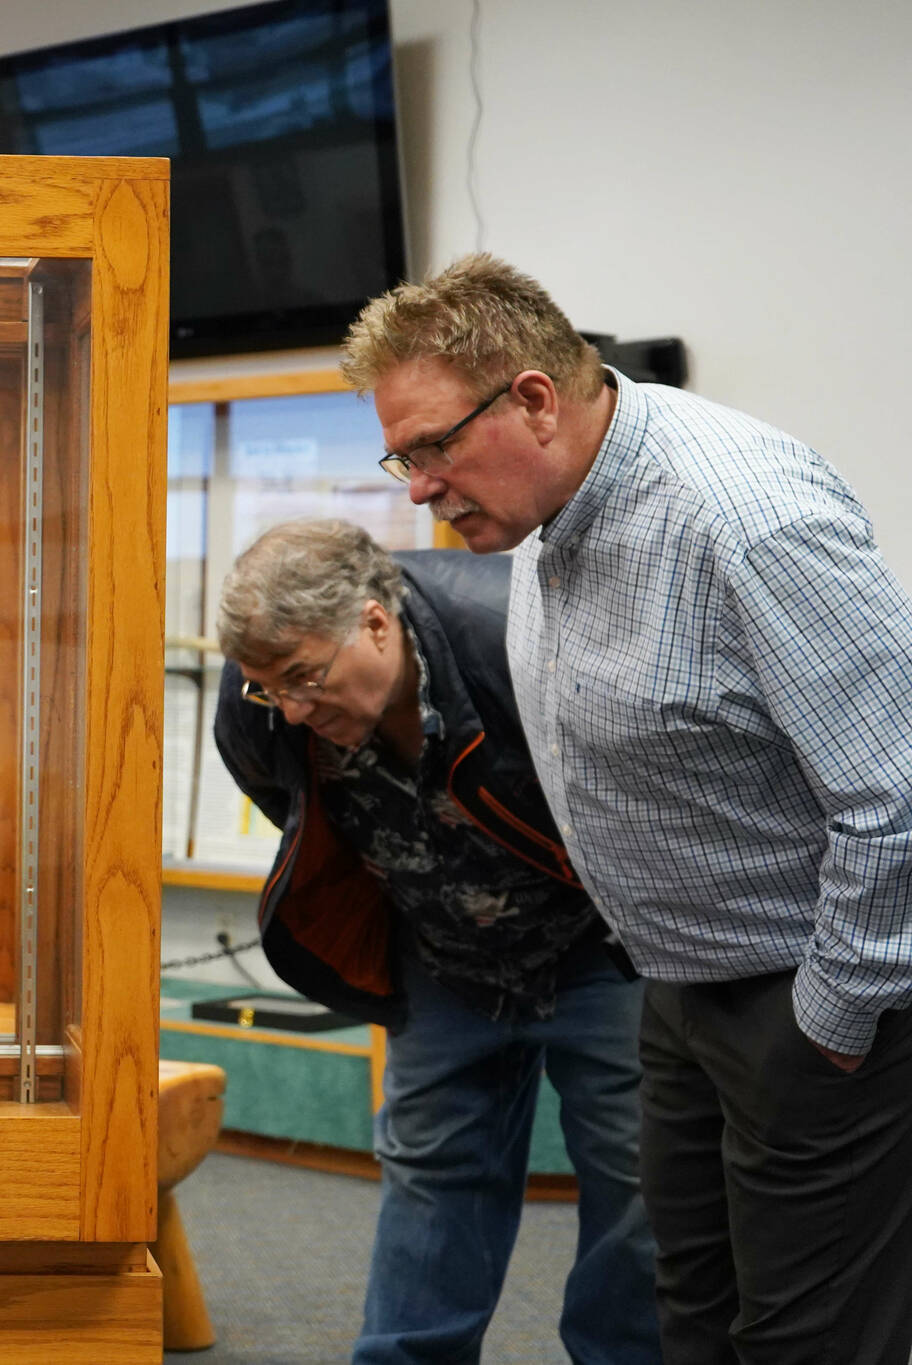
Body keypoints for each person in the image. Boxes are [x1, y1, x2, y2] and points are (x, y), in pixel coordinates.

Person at [342, 252, 912, 1364]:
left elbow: (893, 794)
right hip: (678, 988)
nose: (414, 486)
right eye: (397, 454)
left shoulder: (740, 515)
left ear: (533, 401)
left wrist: (831, 1022)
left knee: (807, 1340)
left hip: (814, 1004)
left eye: (429, 447)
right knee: (681, 1319)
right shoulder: (552, 515)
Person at [213, 518, 659, 1365]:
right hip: (442, 955)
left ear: (376, 623)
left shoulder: (517, 639)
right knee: (431, 1180)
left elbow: (636, 795)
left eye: (308, 677)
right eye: (275, 689)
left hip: (599, 947)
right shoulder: (261, 704)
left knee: (643, 1186)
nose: (297, 709)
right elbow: (294, 810)